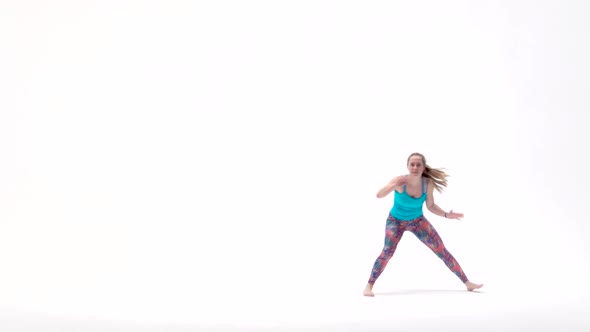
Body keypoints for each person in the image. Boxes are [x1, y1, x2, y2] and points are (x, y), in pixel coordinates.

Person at [363, 152, 483, 297]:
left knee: (441, 250)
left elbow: (431, 206)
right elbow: (379, 195)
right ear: (407, 166)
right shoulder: (399, 181)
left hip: (417, 221)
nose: (415, 167)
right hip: (395, 222)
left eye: (418, 164)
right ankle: (368, 286)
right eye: (412, 164)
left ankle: (467, 283)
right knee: (387, 252)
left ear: (423, 167)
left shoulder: (427, 184)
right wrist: (393, 185)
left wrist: (446, 214)